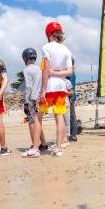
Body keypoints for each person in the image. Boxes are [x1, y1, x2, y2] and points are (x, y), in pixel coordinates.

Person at [39, 21, 73, 157]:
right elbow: (70, 71)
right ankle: (59, 147)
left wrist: (43, 89)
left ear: (48, 34)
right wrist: (57, 73)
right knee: (59, 116)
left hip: (50, 86)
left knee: (38, 116)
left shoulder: (46, 47)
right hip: (61, 86)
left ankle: (36, 147)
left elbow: (45, 70)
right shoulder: (66, 49)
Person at [21, 48, 48, 158]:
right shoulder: (40, 68)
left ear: (25, 58)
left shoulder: (27, 70)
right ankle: (44, 143)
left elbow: (28, 87)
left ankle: (34, 145)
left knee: (32, 121)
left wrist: (26, 102)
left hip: (32, 98)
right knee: (38, 122)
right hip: (41, 97)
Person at [68, 58, 78, 142]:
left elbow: (70, 86)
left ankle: (73, 135)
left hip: (70, 97)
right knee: (71, 116)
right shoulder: (71, 71)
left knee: (72, 116)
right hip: (71, 96)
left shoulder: (70, 72)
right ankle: (72, 134)